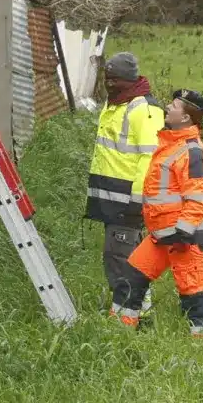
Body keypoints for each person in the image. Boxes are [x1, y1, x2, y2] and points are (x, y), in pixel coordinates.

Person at [114, 88, 203, 338]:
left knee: (194, 291)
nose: (167, 108)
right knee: (131, 277)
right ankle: (119, 331)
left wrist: (184, 233)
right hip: (163, 236)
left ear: (185, 117)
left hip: (184, 238)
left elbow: (197, 198)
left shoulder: (191, 152)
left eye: (174, 106)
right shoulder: (172, 145)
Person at [85, 52, 164, 320]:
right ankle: (141, 312)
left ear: (129, 80)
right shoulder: (116, 104)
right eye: (107, 79)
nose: (109, 84)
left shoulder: (144, 110)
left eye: (115, 79)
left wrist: (137, 201)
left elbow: (150, 159)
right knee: (126, 256)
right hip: (112, 197)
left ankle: (124, 318)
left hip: (128, 200)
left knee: (120, 259)